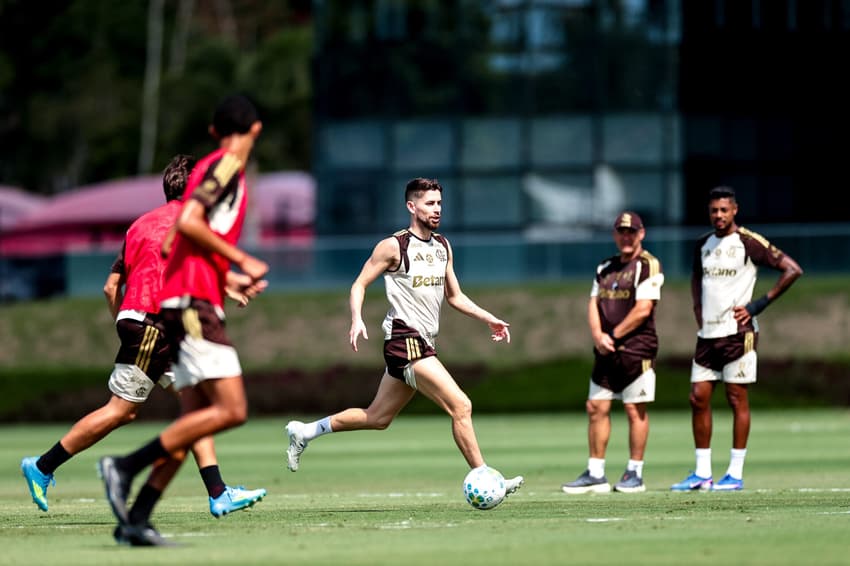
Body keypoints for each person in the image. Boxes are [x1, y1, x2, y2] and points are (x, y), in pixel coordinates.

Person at [20, 155, 266, 526]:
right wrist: (233, 286)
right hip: (156, 323)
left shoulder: (139, 225)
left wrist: (124, 319)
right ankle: (41, 466)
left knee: (197, 410)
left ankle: (219, 494)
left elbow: (110, 287)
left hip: (144, 322)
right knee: (122, 410)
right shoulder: (196, 221)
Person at [97, 94, 269, 546]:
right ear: (256, 129)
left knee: (194, 419)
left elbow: (175, 240)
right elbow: (190, 223)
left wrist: (227, 279)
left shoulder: (216, 167)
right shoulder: (228, 166)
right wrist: (242, 258)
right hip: (192, 306)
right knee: (230, 411)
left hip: (188, 297)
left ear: (214, 130)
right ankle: (124, 467)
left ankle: (136, 519)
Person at [283, 177, 524, 498]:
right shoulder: (394, 246)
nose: (436, 209)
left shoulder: (442, 246)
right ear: (412, 206)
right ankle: (488, 478)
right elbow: (359, 284)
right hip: (404, 341)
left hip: (424, 342)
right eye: (429, 203)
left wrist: (489, 318)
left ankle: (305, 431)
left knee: (378, 417)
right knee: (461, 405)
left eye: (439, 203)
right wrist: (356, 319)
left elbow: (456, 297)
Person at [671, 186, 803, 492]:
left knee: (735, 399)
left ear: (735, 211)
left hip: (738, 335)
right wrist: (697, 309)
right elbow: (695, 279)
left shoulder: (747, 242)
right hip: (707, 336)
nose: (718, 215)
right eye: (714, 210)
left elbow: (792, 269)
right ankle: (703, 472)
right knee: (698, 398)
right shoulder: (703, 244)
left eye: (724, 210)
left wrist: (757, 306)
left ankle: (734, 473)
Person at [561, 211, 664, 495]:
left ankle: (635, 472)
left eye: (632, 232)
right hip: (605, 348)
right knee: (596, 407)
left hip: (636, 348)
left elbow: (644, 309)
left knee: (634, 408)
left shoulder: (648, 265)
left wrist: (614, 335)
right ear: (615, 234)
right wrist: (598, 336)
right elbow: (593, 303)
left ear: (641, 234)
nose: (626, 237)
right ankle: (595, 473)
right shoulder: (605, 267)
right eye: (621, 231)